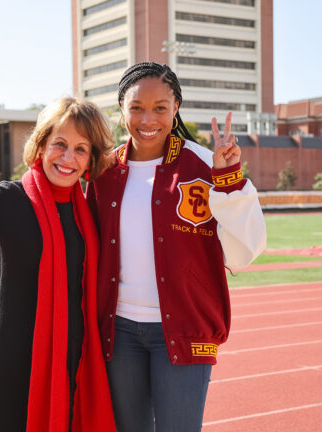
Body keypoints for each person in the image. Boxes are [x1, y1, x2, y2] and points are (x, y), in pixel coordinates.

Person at [86, 62, 267, 431]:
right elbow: (81, 243)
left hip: (185, 330)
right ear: (121, 109)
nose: (147, 119)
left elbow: (246, 249)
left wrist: (228, 179)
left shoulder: (205, 164)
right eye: (136, 107)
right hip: (118, 332)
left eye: (160, 108)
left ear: (176, 108)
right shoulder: (104, 171)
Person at [0, 97, 116, 432]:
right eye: (60, 144)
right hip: (10, 360)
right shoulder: (8, 198)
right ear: (41, 144)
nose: (68, 158)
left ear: (90, 159)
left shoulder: (87, 211)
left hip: (69, 360)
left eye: (81, 149)